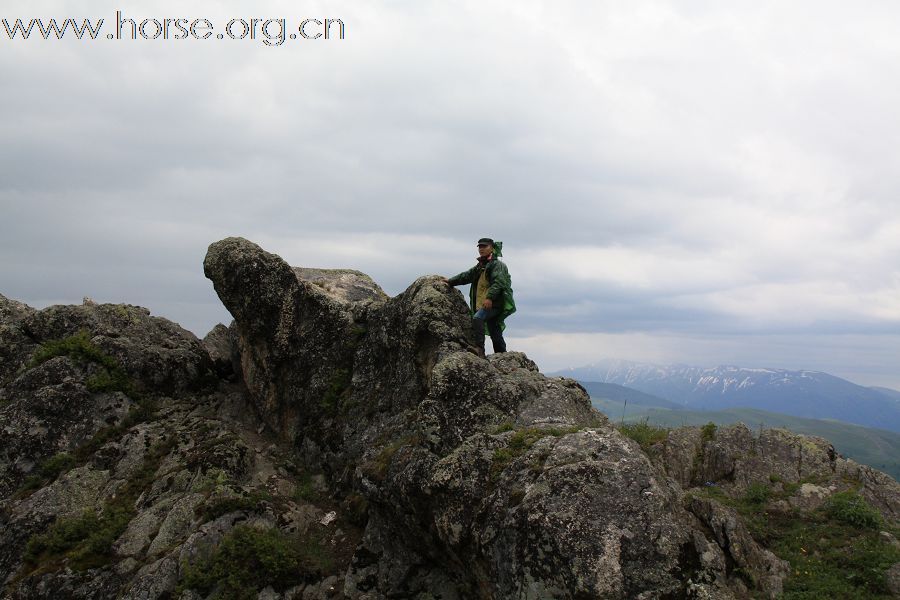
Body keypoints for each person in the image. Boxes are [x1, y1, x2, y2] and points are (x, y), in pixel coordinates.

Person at [443, 238, 516, 355]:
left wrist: (489, 298)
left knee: (478, 318)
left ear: (492, 248)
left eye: (484, 246)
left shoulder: (497, 265)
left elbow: (498, 283)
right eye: (480, 247)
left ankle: (479, 349)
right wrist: (450, 281)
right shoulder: (481, 265)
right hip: (488, 302)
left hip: (494, 303)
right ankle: (502, 355)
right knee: (495, 331)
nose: (481, 249)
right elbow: (467, 276)